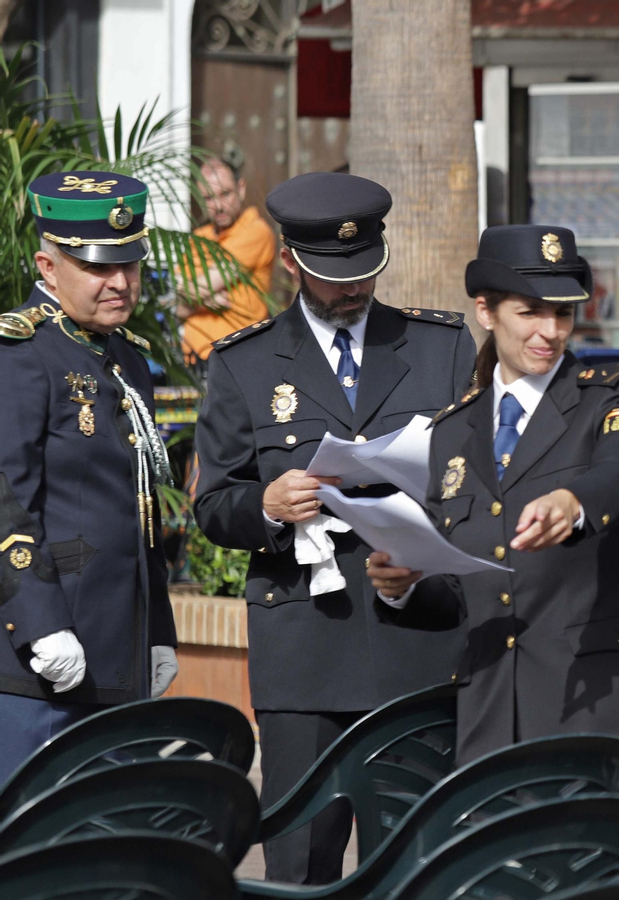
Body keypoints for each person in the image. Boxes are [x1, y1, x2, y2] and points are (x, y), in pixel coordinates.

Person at [193, 172, 475, 885]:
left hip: (416, 637)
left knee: (415, 863)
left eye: (364, 271)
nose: (353, 288)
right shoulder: (244, 362)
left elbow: (476, 483)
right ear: (290, 260)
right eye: (333, 275)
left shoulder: (438, 346)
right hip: (304, 647)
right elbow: (214, 504)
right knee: (301, 865)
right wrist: (268, 505)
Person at [366, 225, 619, 764]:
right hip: (493, 720)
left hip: (600, 709)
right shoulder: (451, 431)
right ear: (486, 312)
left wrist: (575, 503)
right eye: (530, 312)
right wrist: (403, 586)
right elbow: (462, 589)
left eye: (562, 314)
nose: (550, 331)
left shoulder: (610, 394)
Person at [0, 171, 178, 777]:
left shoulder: (124, 356)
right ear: (48, 268)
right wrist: (41, 624)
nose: (120, 282)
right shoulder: (21, 353)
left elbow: (138, 508)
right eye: (99, 267)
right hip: (38, 662)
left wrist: (158, 627)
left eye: (129, 264)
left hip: (117, 650)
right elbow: (6, 498)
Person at [177, 157, 275, 366]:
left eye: (226, 194)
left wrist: (191, 299)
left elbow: (196, 289)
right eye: (209, 198)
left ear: (241, 189)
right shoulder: (197, 239)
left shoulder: (255, 231)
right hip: (192, 359)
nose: (219, 206)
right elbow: (175, 304)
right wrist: (204, 299)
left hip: (239, 356)